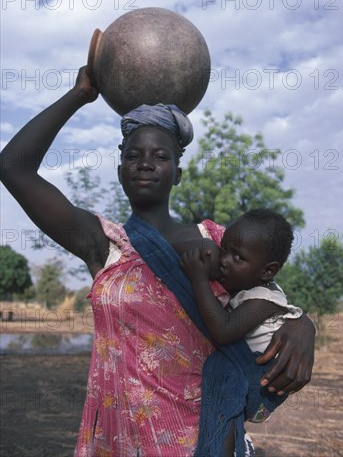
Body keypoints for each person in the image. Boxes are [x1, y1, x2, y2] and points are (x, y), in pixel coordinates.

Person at [0, 66, 315, 456]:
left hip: (200, 438)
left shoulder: (216, 242)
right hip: (119, 439)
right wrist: (80, 94)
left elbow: (267, 301)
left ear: (178, 172)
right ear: (120, 171)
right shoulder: (104, 244)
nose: (145, 163)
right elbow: (12, 167)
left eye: (160, 156)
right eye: (134, 155)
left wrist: (304, 325)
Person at [180, 209, 303, 455]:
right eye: (224, 249)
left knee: (221, 390)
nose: (224, 260)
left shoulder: (264, 299)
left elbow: (223, 331)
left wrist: (199, 280)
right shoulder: (247, 287)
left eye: (238, 257)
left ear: (267, 271)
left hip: (262, 383)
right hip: (252, 377)